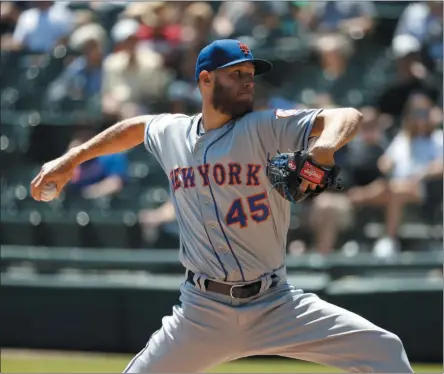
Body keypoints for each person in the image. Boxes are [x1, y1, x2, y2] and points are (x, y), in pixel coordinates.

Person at [30, 39, 413, 373]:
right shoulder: (173, 132)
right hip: (202, 312)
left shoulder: (264, 126)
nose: (248, 80)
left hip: (276, 303)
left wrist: (323, 147)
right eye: (236, 73)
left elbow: (346, 116)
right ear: (206, 79)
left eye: (250, 73)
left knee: (384, 351)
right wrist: (70, 160)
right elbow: (134, 128)